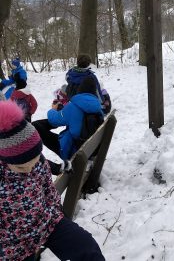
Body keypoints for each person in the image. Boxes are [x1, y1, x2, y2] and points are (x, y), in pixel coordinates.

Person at [0, 101, 105, 261]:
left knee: (87, 247)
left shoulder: (38, 161)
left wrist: (57, 213)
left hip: (46, 222)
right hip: (13, 243)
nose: (29, 169)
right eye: (21, 168)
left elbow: (48, 190)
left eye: (34, 161)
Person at [32, 77, 104, 175]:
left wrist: (53, 109)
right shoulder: (98, 107)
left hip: (71, 150)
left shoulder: (74, 105)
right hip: (89, 149)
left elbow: (54, 120)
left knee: (36, 126)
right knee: (59, 121)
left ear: (81, 89)